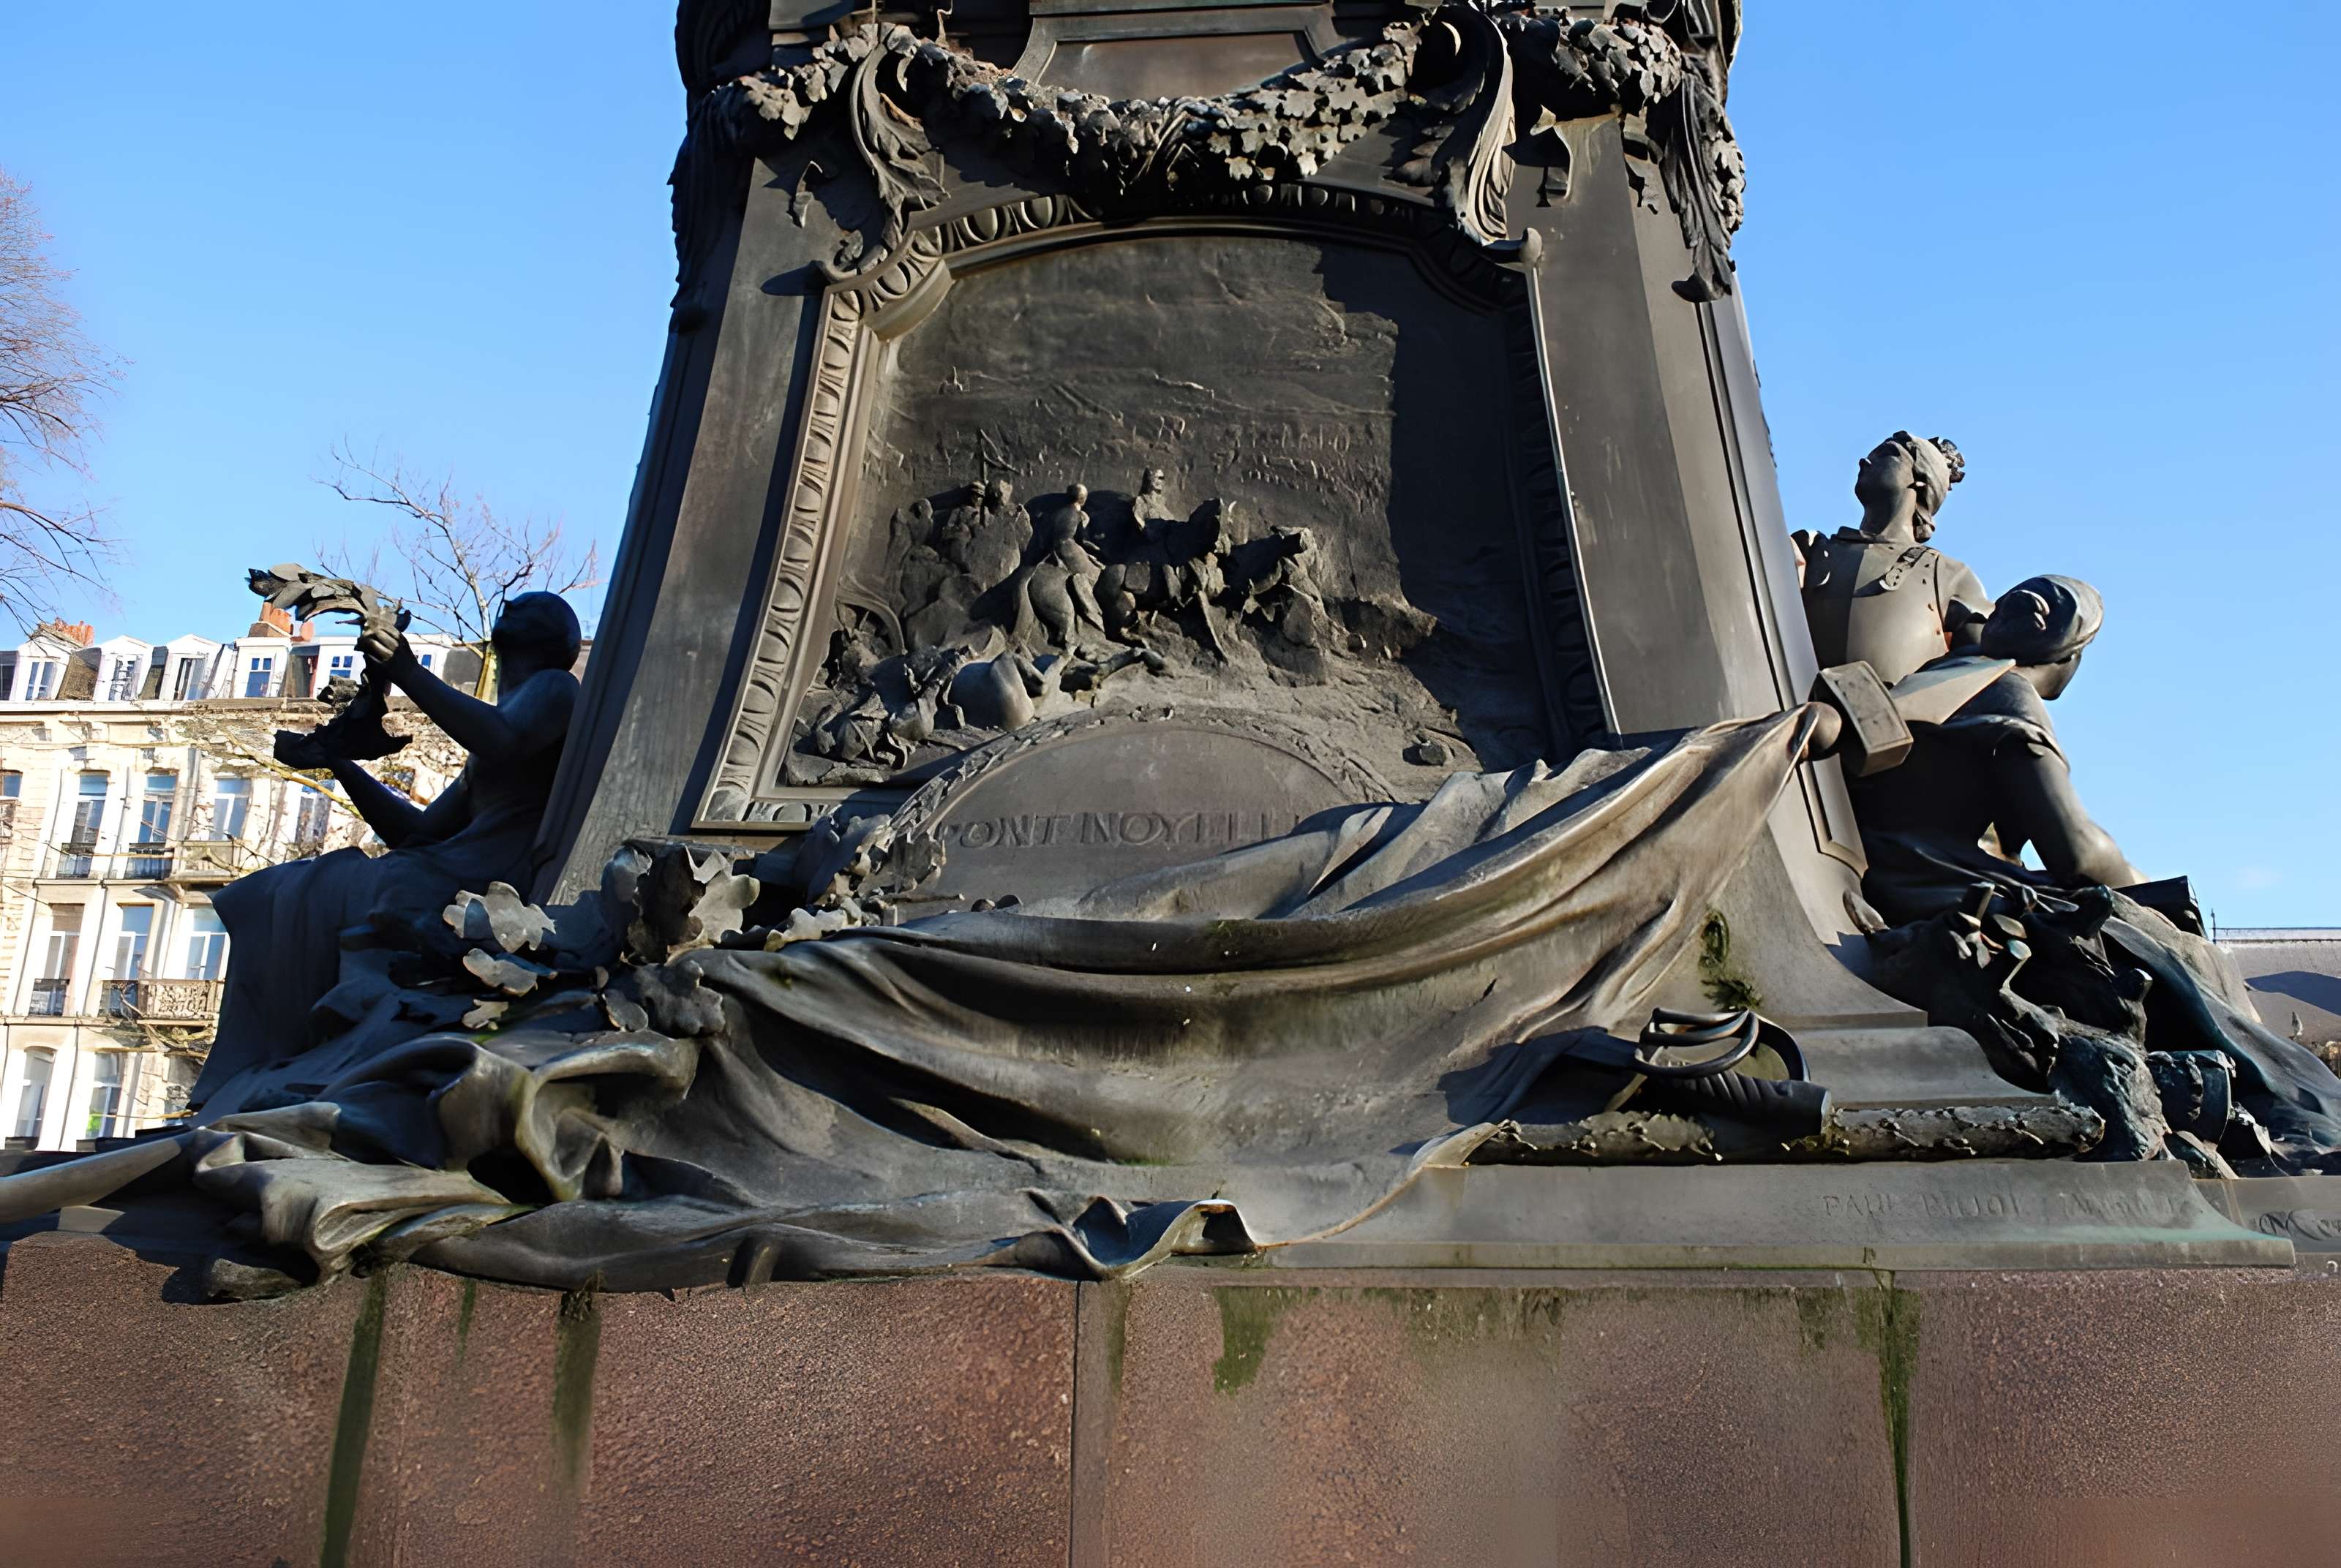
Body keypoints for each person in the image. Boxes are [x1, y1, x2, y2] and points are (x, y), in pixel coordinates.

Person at [192, 592, 583, 1104]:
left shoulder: (555, 688)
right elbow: (415, 833)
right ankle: (258, 1067)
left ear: (560, 641)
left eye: (534, 606)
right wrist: (339, 763)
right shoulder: (495, 724)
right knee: (274, 890)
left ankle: (275, 1064)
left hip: (491, 877)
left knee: (316, 889)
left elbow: (502, 740)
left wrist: (406, 671)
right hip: (443, 863)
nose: (514, 603)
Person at [1854, 574, 2137, 918]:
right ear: (2070, 655)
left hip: (1882, 853)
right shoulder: (2010, 697)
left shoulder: (1945, 672)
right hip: (1922, 880)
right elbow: (2076, 853)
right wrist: (2137, 886)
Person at [1796, 432, 1993, 687]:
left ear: (1921, 481)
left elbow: (1985, 667)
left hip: (1899, 723)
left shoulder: (1947, 575)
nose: (1863, 462)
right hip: (1795, 716)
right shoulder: (1809, 551)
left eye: (1887, 455)